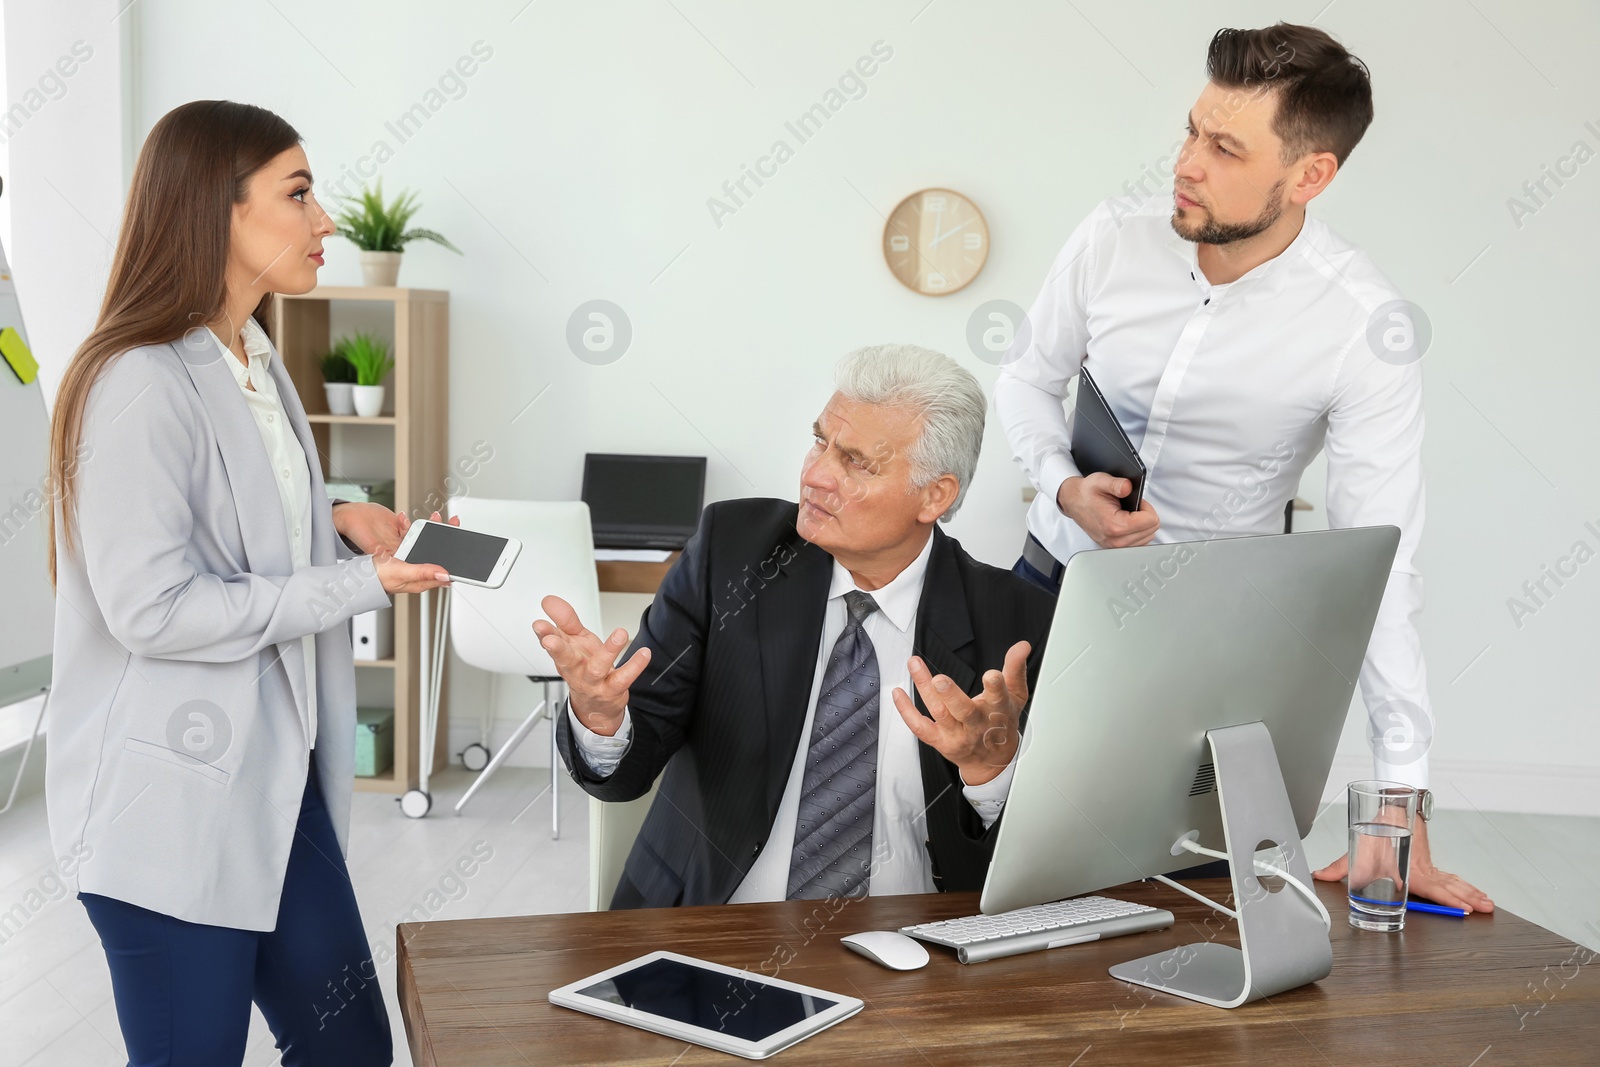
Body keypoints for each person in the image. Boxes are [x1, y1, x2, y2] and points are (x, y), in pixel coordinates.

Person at [994, 23, 1491, 913]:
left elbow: (1383, 564)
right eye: (1191, 130)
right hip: (1051, 588)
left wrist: (1397, 809)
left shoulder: (1361, 327)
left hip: (1210, 637)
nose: (1185, 163)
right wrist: (1063, 483)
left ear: (1309, 176)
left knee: (1188, 888)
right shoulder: (1113, 236)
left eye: (1225, 147)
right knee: (1000, 856)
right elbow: (1027, 379)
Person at [45, 100, 452, 1067]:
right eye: (300, 194)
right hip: (173, 807)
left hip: (275, 779)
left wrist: (334, 512)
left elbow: (234, 512)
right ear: (214, 212)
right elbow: (157, 607)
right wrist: (360, 583)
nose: (327, 223)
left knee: (350, 1047)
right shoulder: (138, 380)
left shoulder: (253, 357)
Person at [535, 345, 1055, 908]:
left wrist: (989, 772)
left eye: (857, 462)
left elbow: (1041, 862)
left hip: (913, 950)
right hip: (710, 930)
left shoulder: (1017, 621)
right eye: (820, 442)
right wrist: (602, 718)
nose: (816, 474)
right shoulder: (732, 554)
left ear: (935, 495)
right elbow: (627, 771)